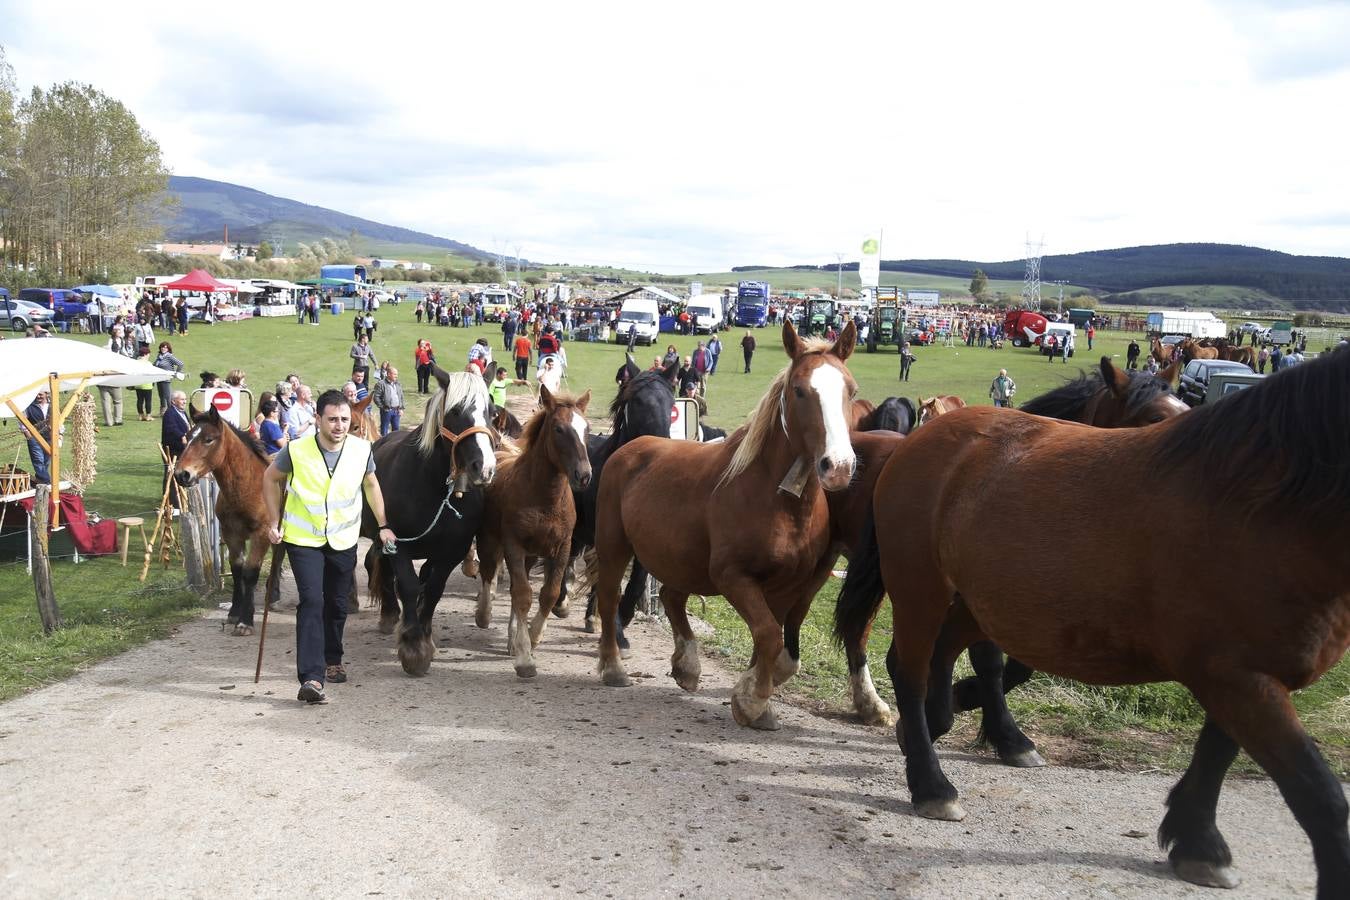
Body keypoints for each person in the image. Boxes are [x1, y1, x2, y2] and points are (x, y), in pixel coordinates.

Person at [263, 389, 396, 703]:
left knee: (337, 604)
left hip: (343, 539)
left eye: (345, 419)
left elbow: (371, 484)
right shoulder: (296, 450)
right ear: (318, 419)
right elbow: (270, 479)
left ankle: (333, 658)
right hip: (303, 538)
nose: (339, 425)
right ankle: (311, 677)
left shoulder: (362, 449)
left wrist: (383, 525)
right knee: (311, 601)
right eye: (333, 419)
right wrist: (272, 520)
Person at [161, 390, 192, 513]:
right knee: (171, 477)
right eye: (181, 399)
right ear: (174, 401)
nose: (184, 401)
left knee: (181, 476)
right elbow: (171, 429)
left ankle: (181, 502)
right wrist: (182, 436)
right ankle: (172, 505)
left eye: (185, 399)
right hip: (173, 450)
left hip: (182, 450)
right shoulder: (170, 413)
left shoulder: (182, 412)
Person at [22, 389, 51, 485]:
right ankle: (47, 482)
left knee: (46, 461)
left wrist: (59, 435)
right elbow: (22, 419)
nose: (38, 396)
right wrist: (27, 434)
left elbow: (59, 421)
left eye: (40, 394)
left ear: (46, 394)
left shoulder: (53, 406)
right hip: (34, 436)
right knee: (38, 460)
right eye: (36, 394)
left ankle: (40, 481)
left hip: (50, 437)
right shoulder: (29, 406)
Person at [153, 341, 185, 415]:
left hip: (166, 379)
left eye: (165, 347)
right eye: (162, 347)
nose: (163, 348)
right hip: (158, 378)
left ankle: (172, 412)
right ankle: (163, 411)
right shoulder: (159, 356)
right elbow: (154, 365)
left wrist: (176, 373)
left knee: (168, 396)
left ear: (168, 349)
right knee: (161, 396)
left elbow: (180, 364)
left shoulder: (169, 356)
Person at [373, 366, 405, 436]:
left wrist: (401, 408)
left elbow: (401, 396)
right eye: (395, 374)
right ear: (389, 374)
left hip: (396, 410)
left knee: (396, 430)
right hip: (386, 410)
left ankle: (395, 444)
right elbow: (376, 397)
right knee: (384, 429)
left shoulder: (398, 384)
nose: (396, 376)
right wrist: (383, 407)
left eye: (397, 374)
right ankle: (382, 445)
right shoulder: (381, 384)